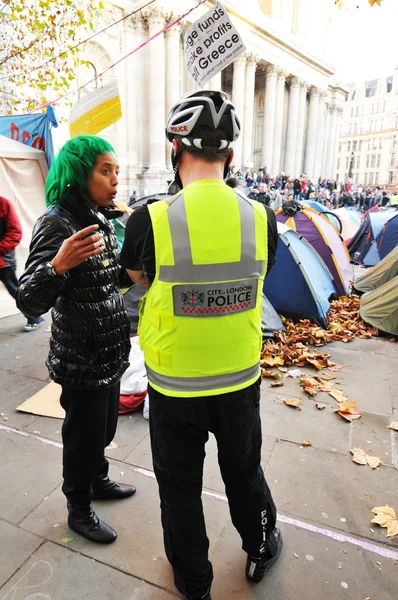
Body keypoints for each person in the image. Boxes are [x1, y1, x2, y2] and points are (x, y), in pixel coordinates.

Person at [120, 91, 281, 600]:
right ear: (230, 155)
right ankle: (260, 544)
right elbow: (259, 278)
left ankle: (194, 584)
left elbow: (136, 285)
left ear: (174, 147)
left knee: (181, 489)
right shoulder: (261, 218)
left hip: (174, 387)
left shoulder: (149, 218)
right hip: (239, 381)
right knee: (244, 472)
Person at [17, 135, 134, 545]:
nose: (115, 179)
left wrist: (133, 269)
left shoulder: (99, 217)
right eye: (106, 170)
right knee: (82, 439)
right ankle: (79, 509)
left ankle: (98, 480)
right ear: (80, 173)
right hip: (82, 356)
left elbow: (109, 279)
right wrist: (58, 264)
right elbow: (29, 298)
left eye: (117, 170)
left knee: (102, 431)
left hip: (109, 351)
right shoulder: (55, 222)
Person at [0, 196, 43, 331]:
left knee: (15, 290)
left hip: (3, 258)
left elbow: (15, 232)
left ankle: (34, 315)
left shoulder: (3, 204)